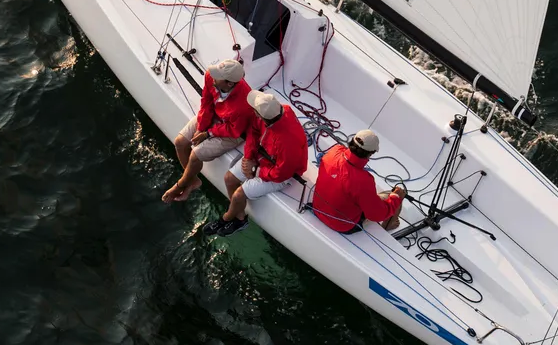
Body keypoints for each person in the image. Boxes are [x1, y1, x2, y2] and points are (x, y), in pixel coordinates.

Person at [203, 91, 308, 236]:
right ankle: (240, 219)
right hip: (261, 158)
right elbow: (253, 131)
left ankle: (225, 218)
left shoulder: (288, 142)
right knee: (229, 179)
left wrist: (256, 169)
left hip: (280, 174)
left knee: (238, 195)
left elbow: (282, 173)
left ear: (263, 116)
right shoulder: (278, 112)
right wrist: (248, 158)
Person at [162, 58, 252, 203]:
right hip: (215, 116)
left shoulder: (244, 104)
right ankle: (193, 181)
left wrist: (208, 133)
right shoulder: (211, 76)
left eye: (218, 76)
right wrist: (202, 127)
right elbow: (206, 101)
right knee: (180, 142)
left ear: (229, 83)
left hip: (233, 131)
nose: (212, 75)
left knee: (195, 155)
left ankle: (181, 184)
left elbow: (234, 130)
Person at [311, 130, 405, 234]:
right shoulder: (364, 181)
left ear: (352, 141)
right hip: (342, 225)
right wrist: (395, 198)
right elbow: (376, 215)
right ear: (371, 153)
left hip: (317, 209)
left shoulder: (334, 151)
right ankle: (388, 226)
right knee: (394, 196)